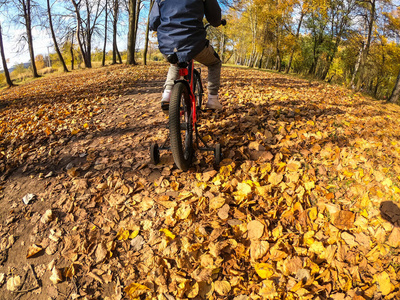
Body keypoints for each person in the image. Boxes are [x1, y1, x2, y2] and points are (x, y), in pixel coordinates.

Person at [149, 0, 224, 111]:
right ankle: (213, 99)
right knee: (215, 63)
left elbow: (153, 23)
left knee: (175, 64)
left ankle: (167, 94)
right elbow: (214, 18)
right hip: (194, 43)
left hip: (167, 44)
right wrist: (218, 22)